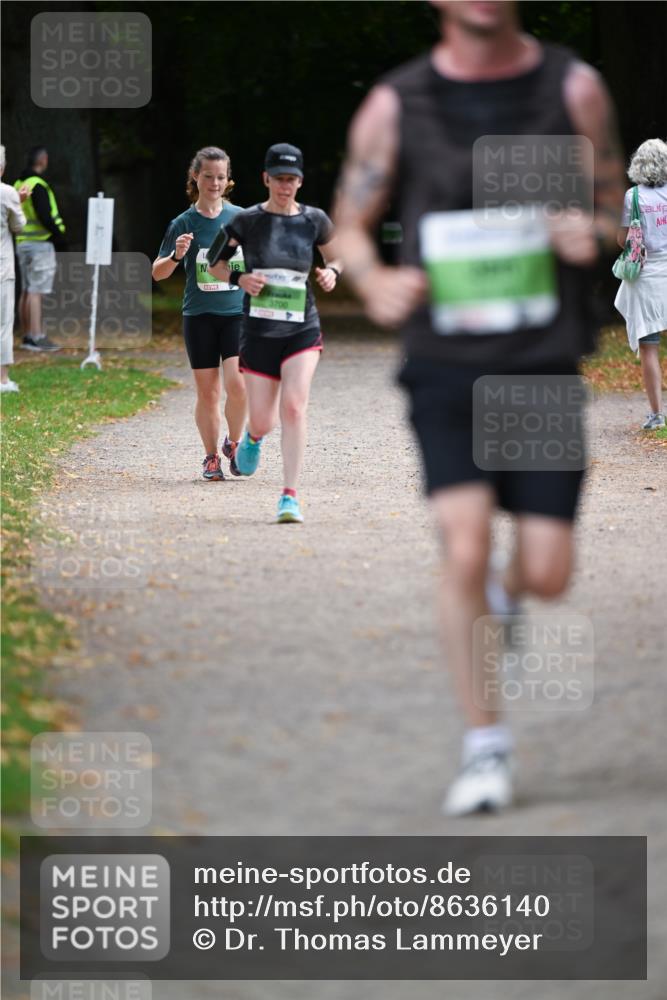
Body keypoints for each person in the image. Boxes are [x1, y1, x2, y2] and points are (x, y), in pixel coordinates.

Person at [335, 0, 625, 814]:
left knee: (548, 572)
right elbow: (350, 226)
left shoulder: (572, 88)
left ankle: (507, 592)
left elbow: (608, 203)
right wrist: (374, 278)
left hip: (538, 363)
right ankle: (484, 748)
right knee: (460, 551)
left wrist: (590, 229)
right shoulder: (397, 102)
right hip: (443, 362)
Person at [209, 143, 343, 523]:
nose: (286, 186)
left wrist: (332, 272)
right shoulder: (246, 222)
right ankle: (253, 436)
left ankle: (290, 496)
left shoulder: (314, 220)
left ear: (300, 181)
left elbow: (337, 255)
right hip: (259, 331)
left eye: (292, 179)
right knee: (265, 420)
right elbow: (213, 263)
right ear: (266, 179)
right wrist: (240, 277)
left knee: (295, 406)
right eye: (279, 179)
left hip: (302, 327)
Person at [153, 146, 247, 480]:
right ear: (196, 176)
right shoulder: (183, 223)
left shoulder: (240, 219)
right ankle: (211, 458)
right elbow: (157, 273)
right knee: (208, 392)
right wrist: (177, 255)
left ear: (228, 179)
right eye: (209, 176)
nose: (215, 183)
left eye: (221, 177)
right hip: (200, 317)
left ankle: (233, 443)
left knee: (239, 385)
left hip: (236, 313)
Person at [614, 138, 667, 430]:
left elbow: (623, 241)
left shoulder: (632, 197)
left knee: (649, 348)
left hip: (646, 278)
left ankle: (657, 415)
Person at [13, 145, 66, 352]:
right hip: (41, 244)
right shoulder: (38, 184)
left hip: (22, 243)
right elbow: (45, 215)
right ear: (43, 160)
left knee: (26, 290)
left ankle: (27, 336)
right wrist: (58, 235)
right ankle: (37, 336)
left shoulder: (18, 183)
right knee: (37, 291)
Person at [1, 145, 27, 392]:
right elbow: (18, 225)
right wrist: (19, 202)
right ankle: (3, 379)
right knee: (3, 322)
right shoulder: (7, 192)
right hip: (2, 266)